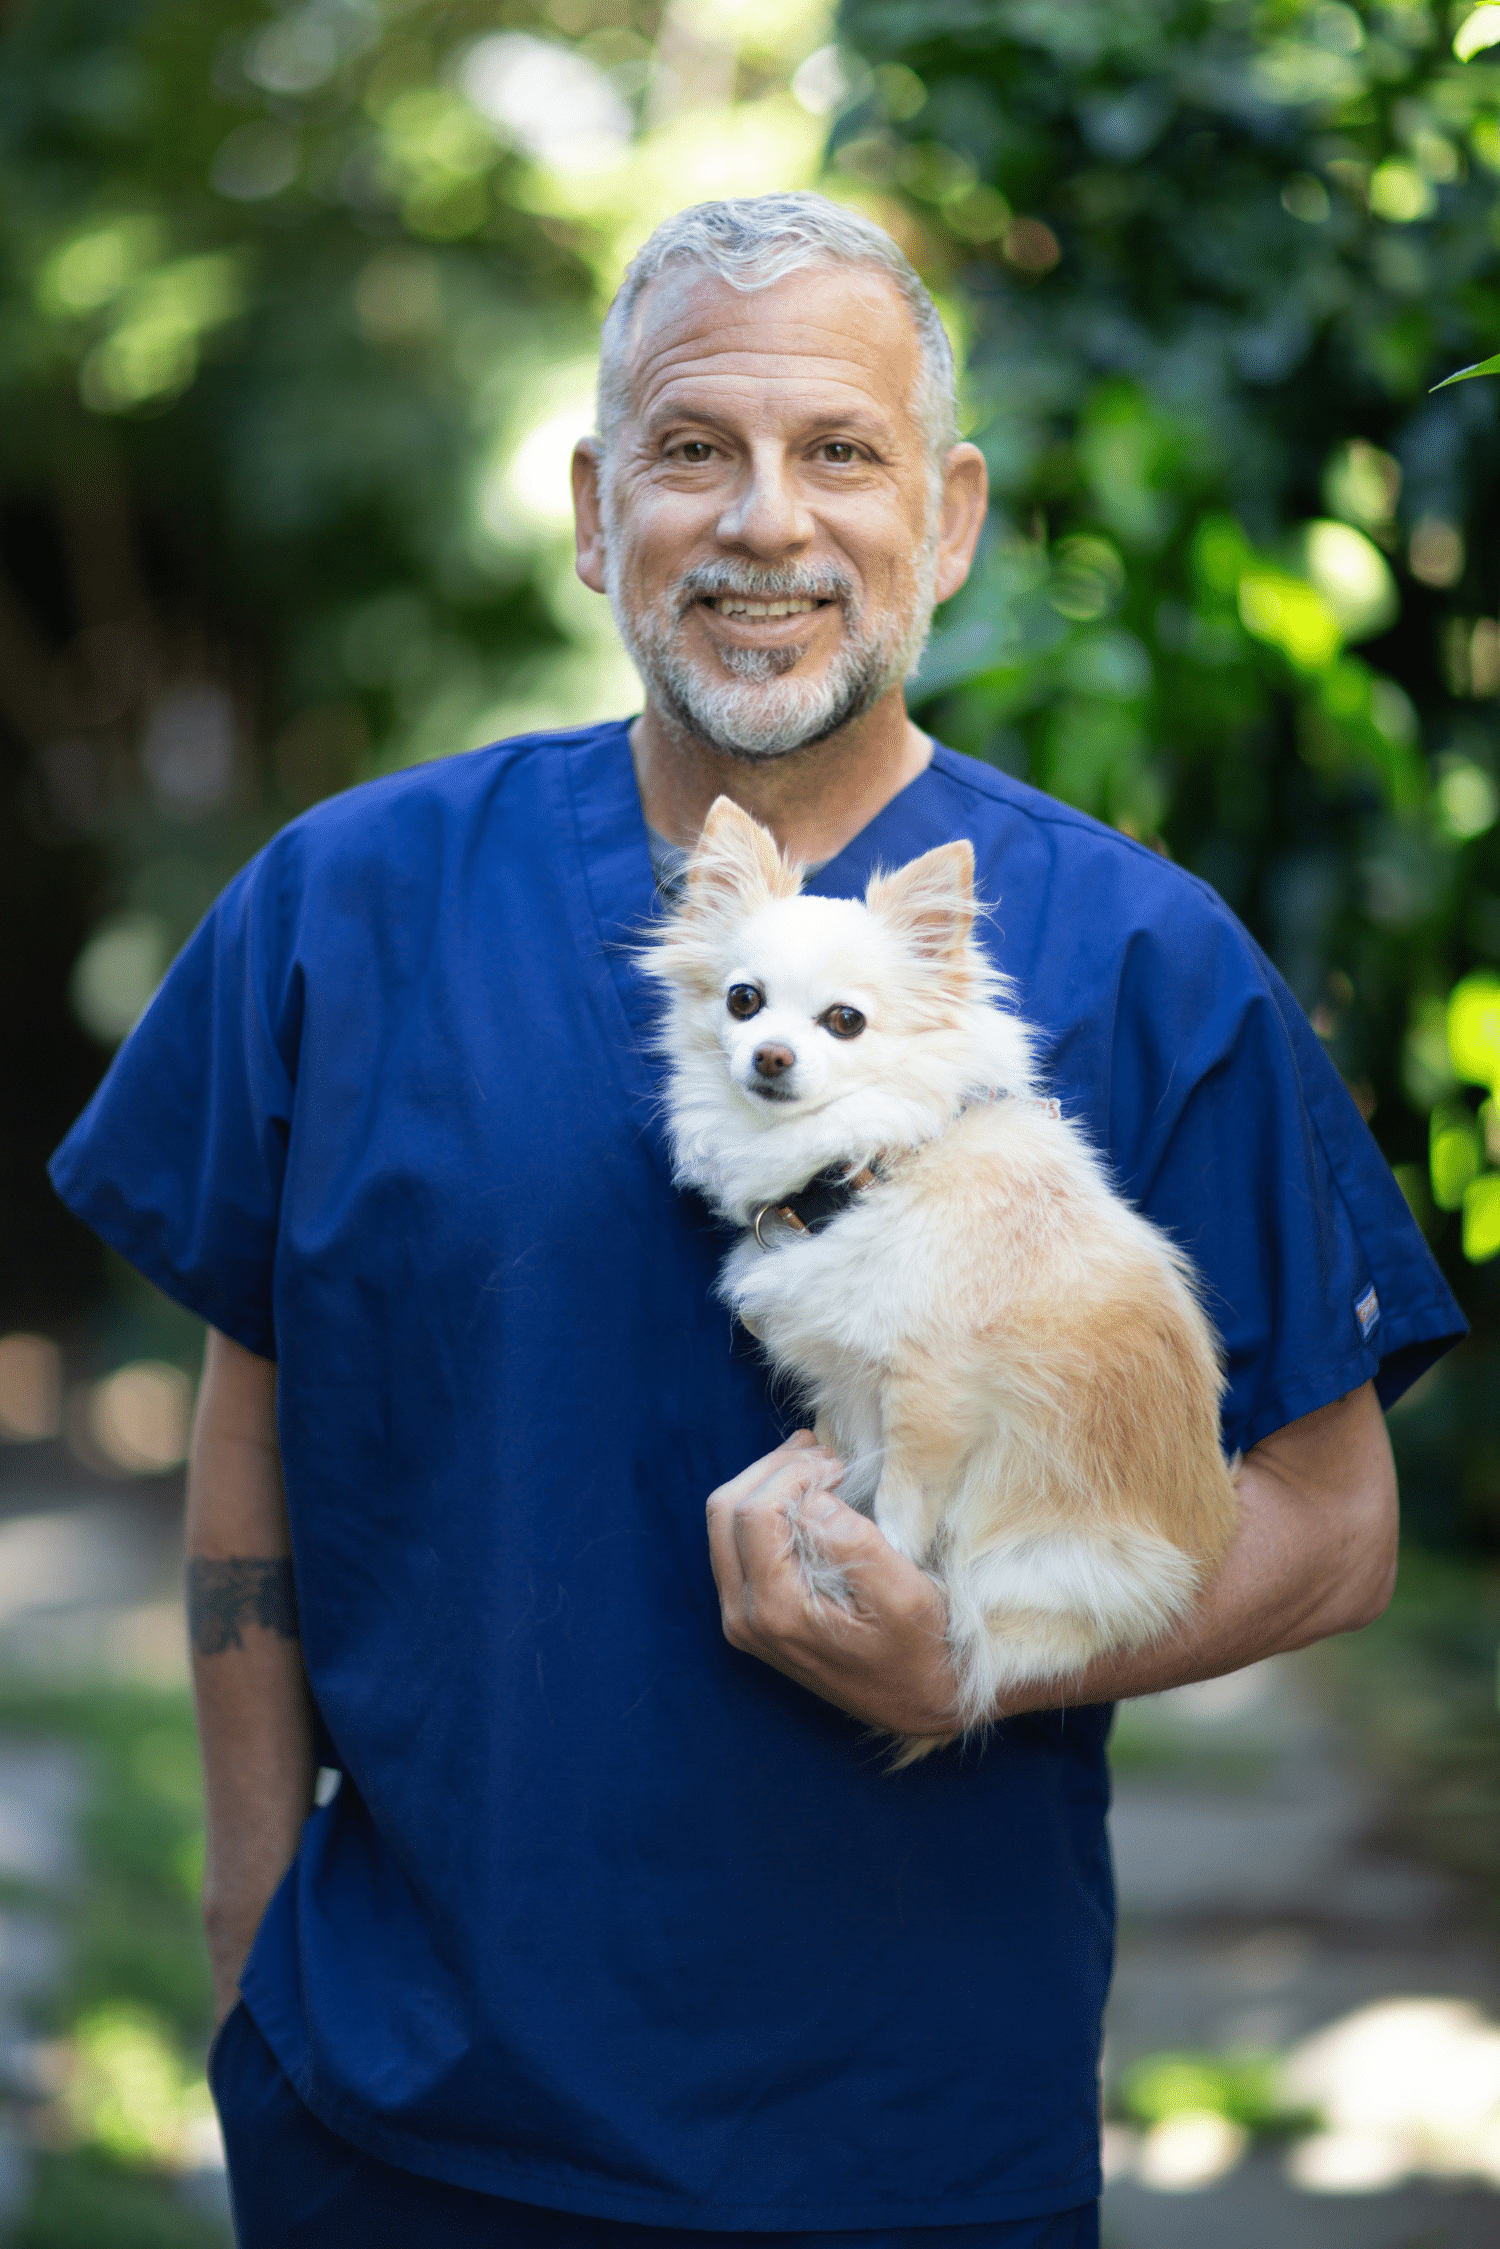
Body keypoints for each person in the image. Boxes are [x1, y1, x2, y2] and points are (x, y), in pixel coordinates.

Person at [49, 194, 1464, 2246]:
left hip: (907, 2144)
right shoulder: (343, 912)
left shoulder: (1144, 963)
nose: (765, 521)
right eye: (695, 449)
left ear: (948, 519)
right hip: (398, 2120)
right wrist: (250, 1943)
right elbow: (258, 1429)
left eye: (843, 452)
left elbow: (1335, 1525)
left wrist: (975, 1662)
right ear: (594, 508)